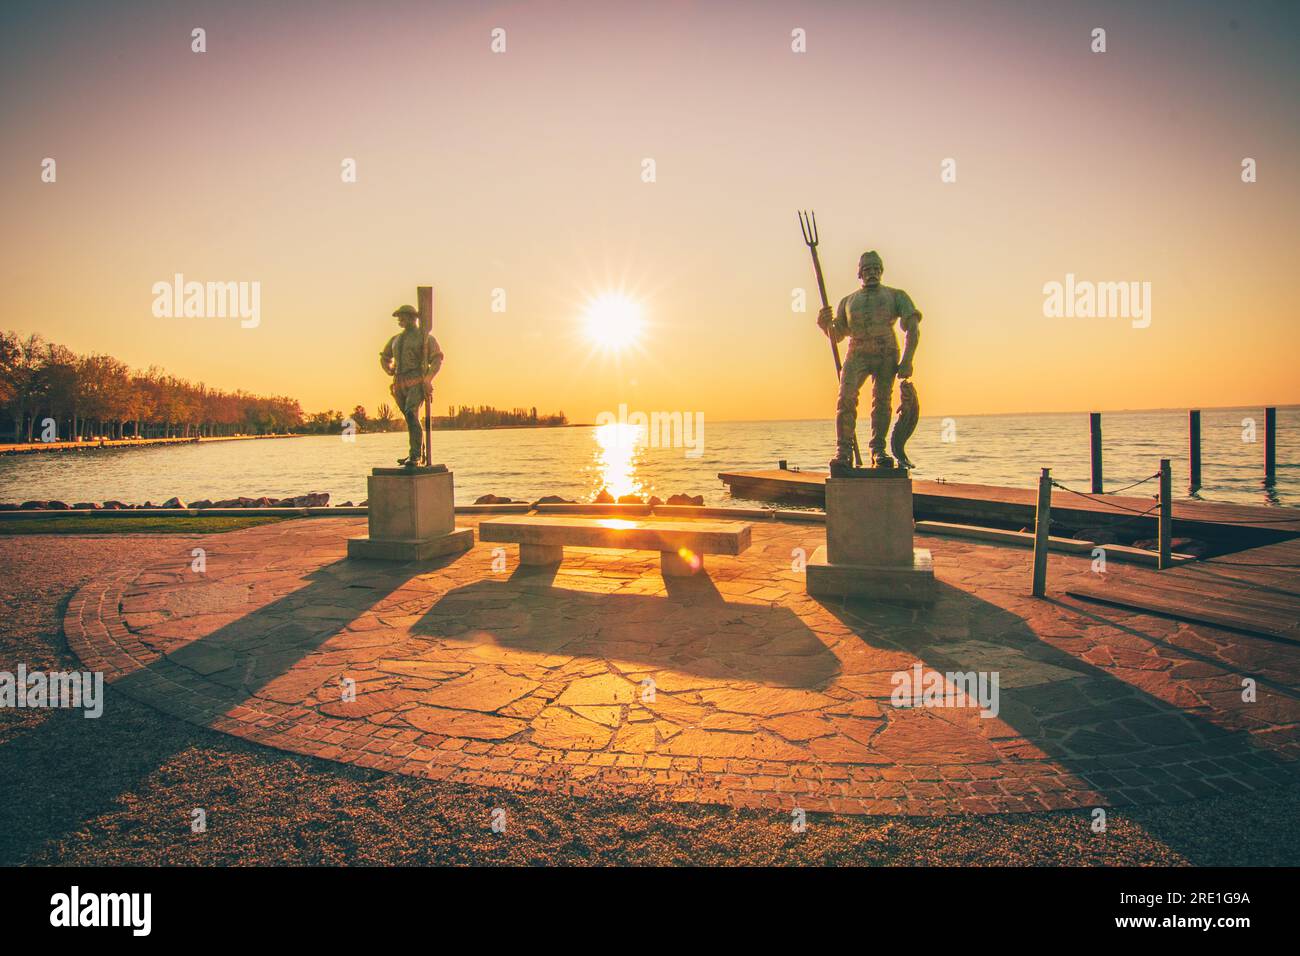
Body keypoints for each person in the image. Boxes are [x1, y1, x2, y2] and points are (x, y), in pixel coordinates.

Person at [817, 250, 921, 471]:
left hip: (886, 350)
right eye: (867, 269)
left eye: (876, 269)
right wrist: (824, 324)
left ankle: (878, 450)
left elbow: (913, 327)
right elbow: (837, 335)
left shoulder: (896, 295)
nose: (872, 273)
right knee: (845, 398)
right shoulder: (848, 301)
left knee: (882, 401)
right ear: (860, 273)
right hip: (857, 351)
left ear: (881, 271)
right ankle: (843, 451)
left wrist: (907, 359)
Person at [379, 304, 443, 467]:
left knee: (410, 413)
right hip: (399, 383)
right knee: (409, 419)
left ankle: (414, 455)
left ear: (412, 318)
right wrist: (388, 369)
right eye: (398, 317)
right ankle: (416, 453)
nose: (400, 320)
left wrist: (428, 379)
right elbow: (384, 357)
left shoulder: (425, 338)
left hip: (416, 380)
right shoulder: (395, 340)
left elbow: (437, 359)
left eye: (403, 316)